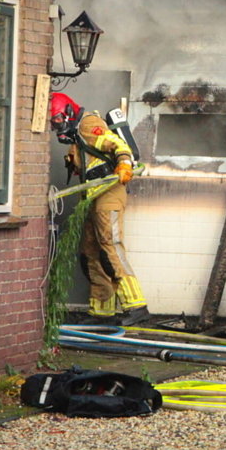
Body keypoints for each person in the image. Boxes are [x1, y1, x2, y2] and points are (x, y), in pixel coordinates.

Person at [49, 92, 150, 327]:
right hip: (93, 197)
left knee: (110, 246)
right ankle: (102, 311)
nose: (56, 127)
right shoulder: (76, 136)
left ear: (69, 112)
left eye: (56, 120)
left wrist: (124, 164)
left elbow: (116, 144)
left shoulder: (88, 124)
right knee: (91, 253)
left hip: (110, 193)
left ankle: (136, 306)